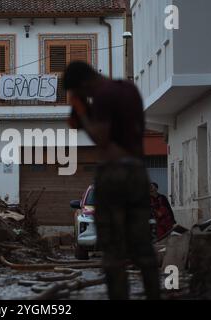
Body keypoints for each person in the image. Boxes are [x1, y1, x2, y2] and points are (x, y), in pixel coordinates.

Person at [63, 61, 160, 300]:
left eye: (80, 92)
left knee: (113, 251)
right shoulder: (129, 89)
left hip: (114, 173)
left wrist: (83, 112)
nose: (84, 97)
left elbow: (102, 138)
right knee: (143, 247)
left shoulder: (104, 95)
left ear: (84, 83)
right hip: (138, 171)